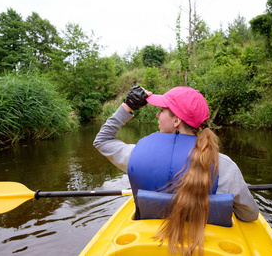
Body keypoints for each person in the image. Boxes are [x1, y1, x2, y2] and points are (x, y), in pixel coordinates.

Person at [93, 85, 259, 255]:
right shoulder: (223, 165)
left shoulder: (136, 155)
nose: (157, 114)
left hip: (149, 245)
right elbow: (250, 215)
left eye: (162, 110)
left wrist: (127, 106)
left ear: (176, 121)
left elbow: (102, 141)